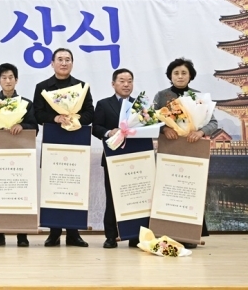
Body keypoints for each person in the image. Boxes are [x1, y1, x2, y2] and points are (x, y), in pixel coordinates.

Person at [153, 57, 217, 249]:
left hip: (192, 149)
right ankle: (165, 232)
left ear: (190, 76)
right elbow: (150, 121)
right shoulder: (161, 96)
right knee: (168, 191)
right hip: (169, 149)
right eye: (176, 73)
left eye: (184, 73)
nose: (180, 76)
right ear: (170, 76)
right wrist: (164, 129)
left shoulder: (198, 97)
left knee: (190, 191)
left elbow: (213, 122)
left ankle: (189, 235)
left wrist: (201, 132)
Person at [33, 48, 94, 248]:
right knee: (54, 186)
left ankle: (74, 233)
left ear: (72, 63)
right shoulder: (42, 87)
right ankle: (54, 233)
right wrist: (56, 118)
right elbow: (37, 114)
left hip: (76, 141)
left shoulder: (82, 87)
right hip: (53, 140)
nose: (64, 63)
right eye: (60, 59)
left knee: (74, 185)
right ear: (52, 63)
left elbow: (90, 113)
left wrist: (75, 118)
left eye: (68, 59)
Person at [0, 62, 38, 247]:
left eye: (11, 77)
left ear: (16, 80)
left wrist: (22, 125)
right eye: (4, 78)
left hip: (21, 156)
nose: (8, 81)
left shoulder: (26, 104)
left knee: (21, 192)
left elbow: (34, 126)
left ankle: (22, 234)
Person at [91, 68, 138, 249]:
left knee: (135, 197)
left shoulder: (139, 106)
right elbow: (96, 128)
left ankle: (135, 235)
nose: (126, 84)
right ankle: (111, 236)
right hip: (112, 157)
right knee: (112, 198)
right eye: (122, 81)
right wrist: (109, 132)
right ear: (113, 84)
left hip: (135, 158)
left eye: (129, 81)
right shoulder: (103, 104)